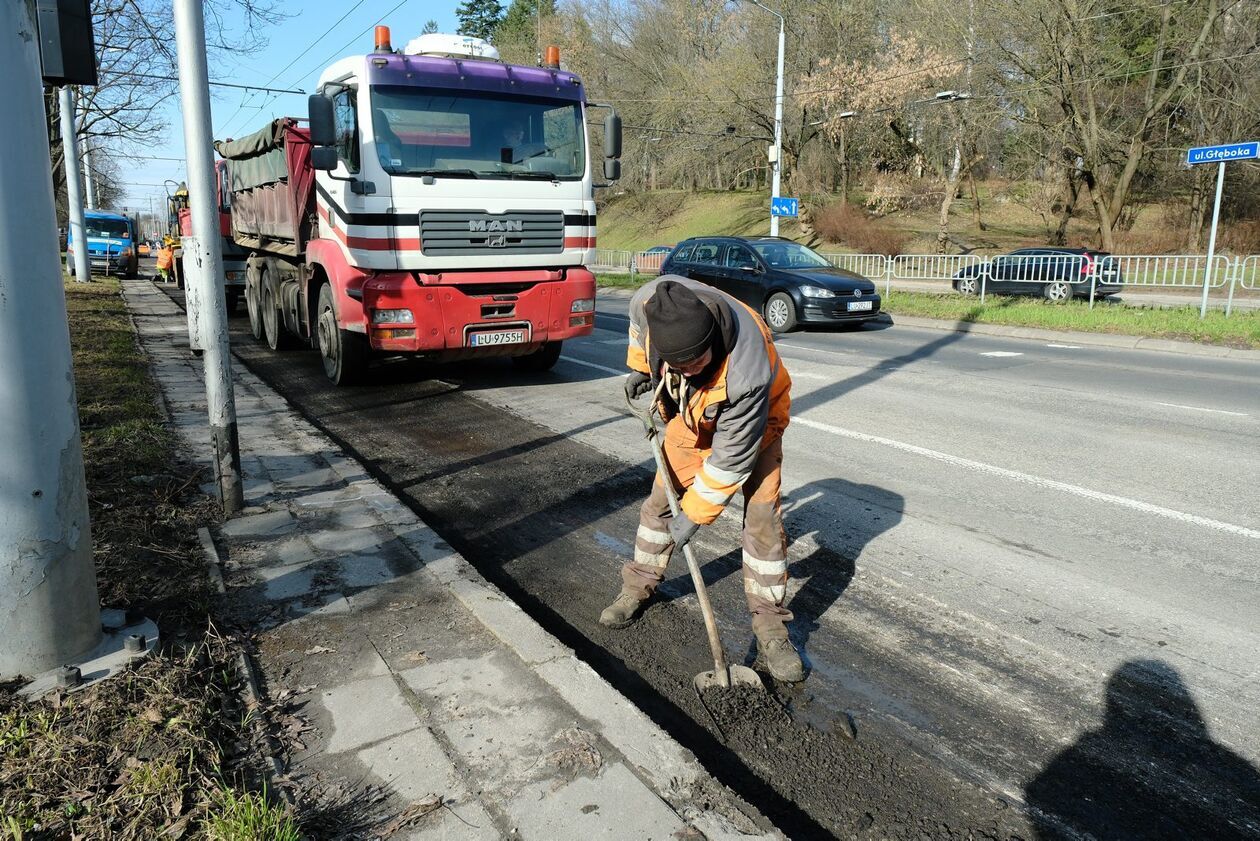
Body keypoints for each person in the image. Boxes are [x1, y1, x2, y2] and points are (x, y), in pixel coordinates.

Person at [601, 276, 804, 682]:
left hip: (756, 427)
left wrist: (695, 514)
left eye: (696, 361)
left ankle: (771, 629)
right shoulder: (651, 302)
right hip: (694, 415)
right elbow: (639, 329)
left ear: (712, 336)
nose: (689, 368)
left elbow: (730, 459)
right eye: (680, 364)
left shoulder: (748, 372)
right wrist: (643, 366)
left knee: (763, 520)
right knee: (660, 504)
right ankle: (636, 587)